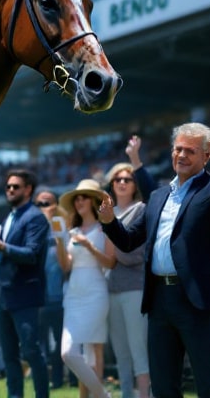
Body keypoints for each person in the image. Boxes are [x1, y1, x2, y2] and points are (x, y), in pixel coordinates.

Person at [96, 122, 210, 398]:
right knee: (164, 385)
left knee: (209, 382)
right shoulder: (158, 195)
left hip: (197, 299)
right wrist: (109, 223)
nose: (181, 155)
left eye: (190, 151)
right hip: (159, 300)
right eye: (178, 149)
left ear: (206, 156)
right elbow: (130, 240)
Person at [0, 168, 51, 398]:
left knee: (31, 351)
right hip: (4, 296)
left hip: (25, 295)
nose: (10, 190)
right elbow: (8, 254)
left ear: (28, 189)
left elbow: (30, 254)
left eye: (15, 186)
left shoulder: (36, 217)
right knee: (8, 356)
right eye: (8, 186)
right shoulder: (9, 217)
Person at [55, 179, 114, 398]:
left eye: (84, 197)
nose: (79, 201)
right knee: (68, 353)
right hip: (73, 293)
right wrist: (60, 242)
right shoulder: (73, 230)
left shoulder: (105, 228)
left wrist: (88, 245)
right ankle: (102, 395)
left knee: (93, 351)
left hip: (96, 291)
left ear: (94, 201)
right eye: (77, 198)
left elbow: (110, 262)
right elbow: (66, 265)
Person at [105, 157, 150, 398]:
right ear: (111, 184)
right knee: (120, 352)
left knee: (138, 350)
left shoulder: (141, 208)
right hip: (111, 289)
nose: (122, 182)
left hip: (134, 288)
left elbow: (137, 255)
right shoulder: (107, 211)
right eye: (117, 179)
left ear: (135, 184)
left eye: (128, 179)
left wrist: (112, 249)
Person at [35, 189, 73, 390]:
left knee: (59, 343)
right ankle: (43, 380)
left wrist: (54, 229)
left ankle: (59, 379)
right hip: (38, 297)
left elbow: (66, 263)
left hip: (59, 295)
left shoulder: (63, 229)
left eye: (48, 203)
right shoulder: (32, 230)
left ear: (56, 205)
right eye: (40, 204)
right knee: (39, 343)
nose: (44, 207)